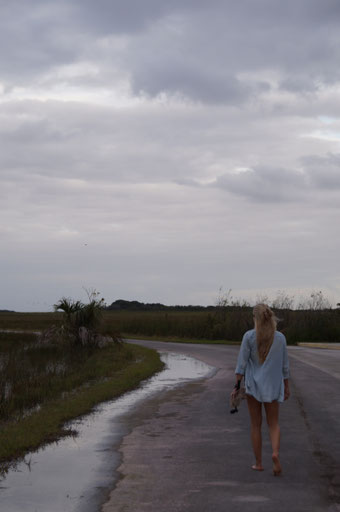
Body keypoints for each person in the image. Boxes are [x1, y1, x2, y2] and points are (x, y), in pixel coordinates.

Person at [232, 303, 290, 476]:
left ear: (255, 319)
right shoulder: (280, 338)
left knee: (255, 425)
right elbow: (285, 367)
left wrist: (236, 387)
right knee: (274, 424)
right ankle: (275, 453)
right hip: (273, 387)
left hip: (253, 387)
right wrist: (286, 387)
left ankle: (258, 463)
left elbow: (241, 365)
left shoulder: (249, 337)